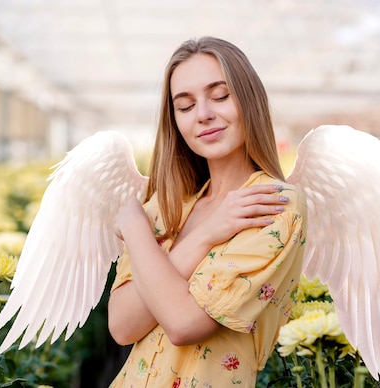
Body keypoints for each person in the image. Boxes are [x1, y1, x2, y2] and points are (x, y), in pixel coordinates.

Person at [108, 36, 307, 386]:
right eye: (184, 107)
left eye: (221, 96)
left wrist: (134, 227)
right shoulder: (167, 205)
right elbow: (122, 326)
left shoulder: (273, 203)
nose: (203, 115)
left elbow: (184, 324)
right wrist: (206, 235)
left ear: (250, 100)